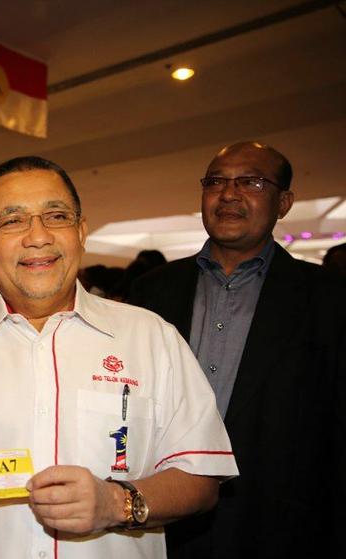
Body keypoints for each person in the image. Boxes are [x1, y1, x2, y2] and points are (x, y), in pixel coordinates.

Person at [0, 156, 238, 558]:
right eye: (12, 220)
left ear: (81, 231)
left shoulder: (152, 338)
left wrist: (115, 503)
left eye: (56, 216)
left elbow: (201, 478)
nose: (38, 236)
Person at [129, 141, 346, 559]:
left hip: (281, 527)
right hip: (166, 519)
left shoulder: (329, 299)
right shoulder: (152, 290)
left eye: (251, 182)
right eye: (216, 182)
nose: (229, 194)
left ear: (284, 202)